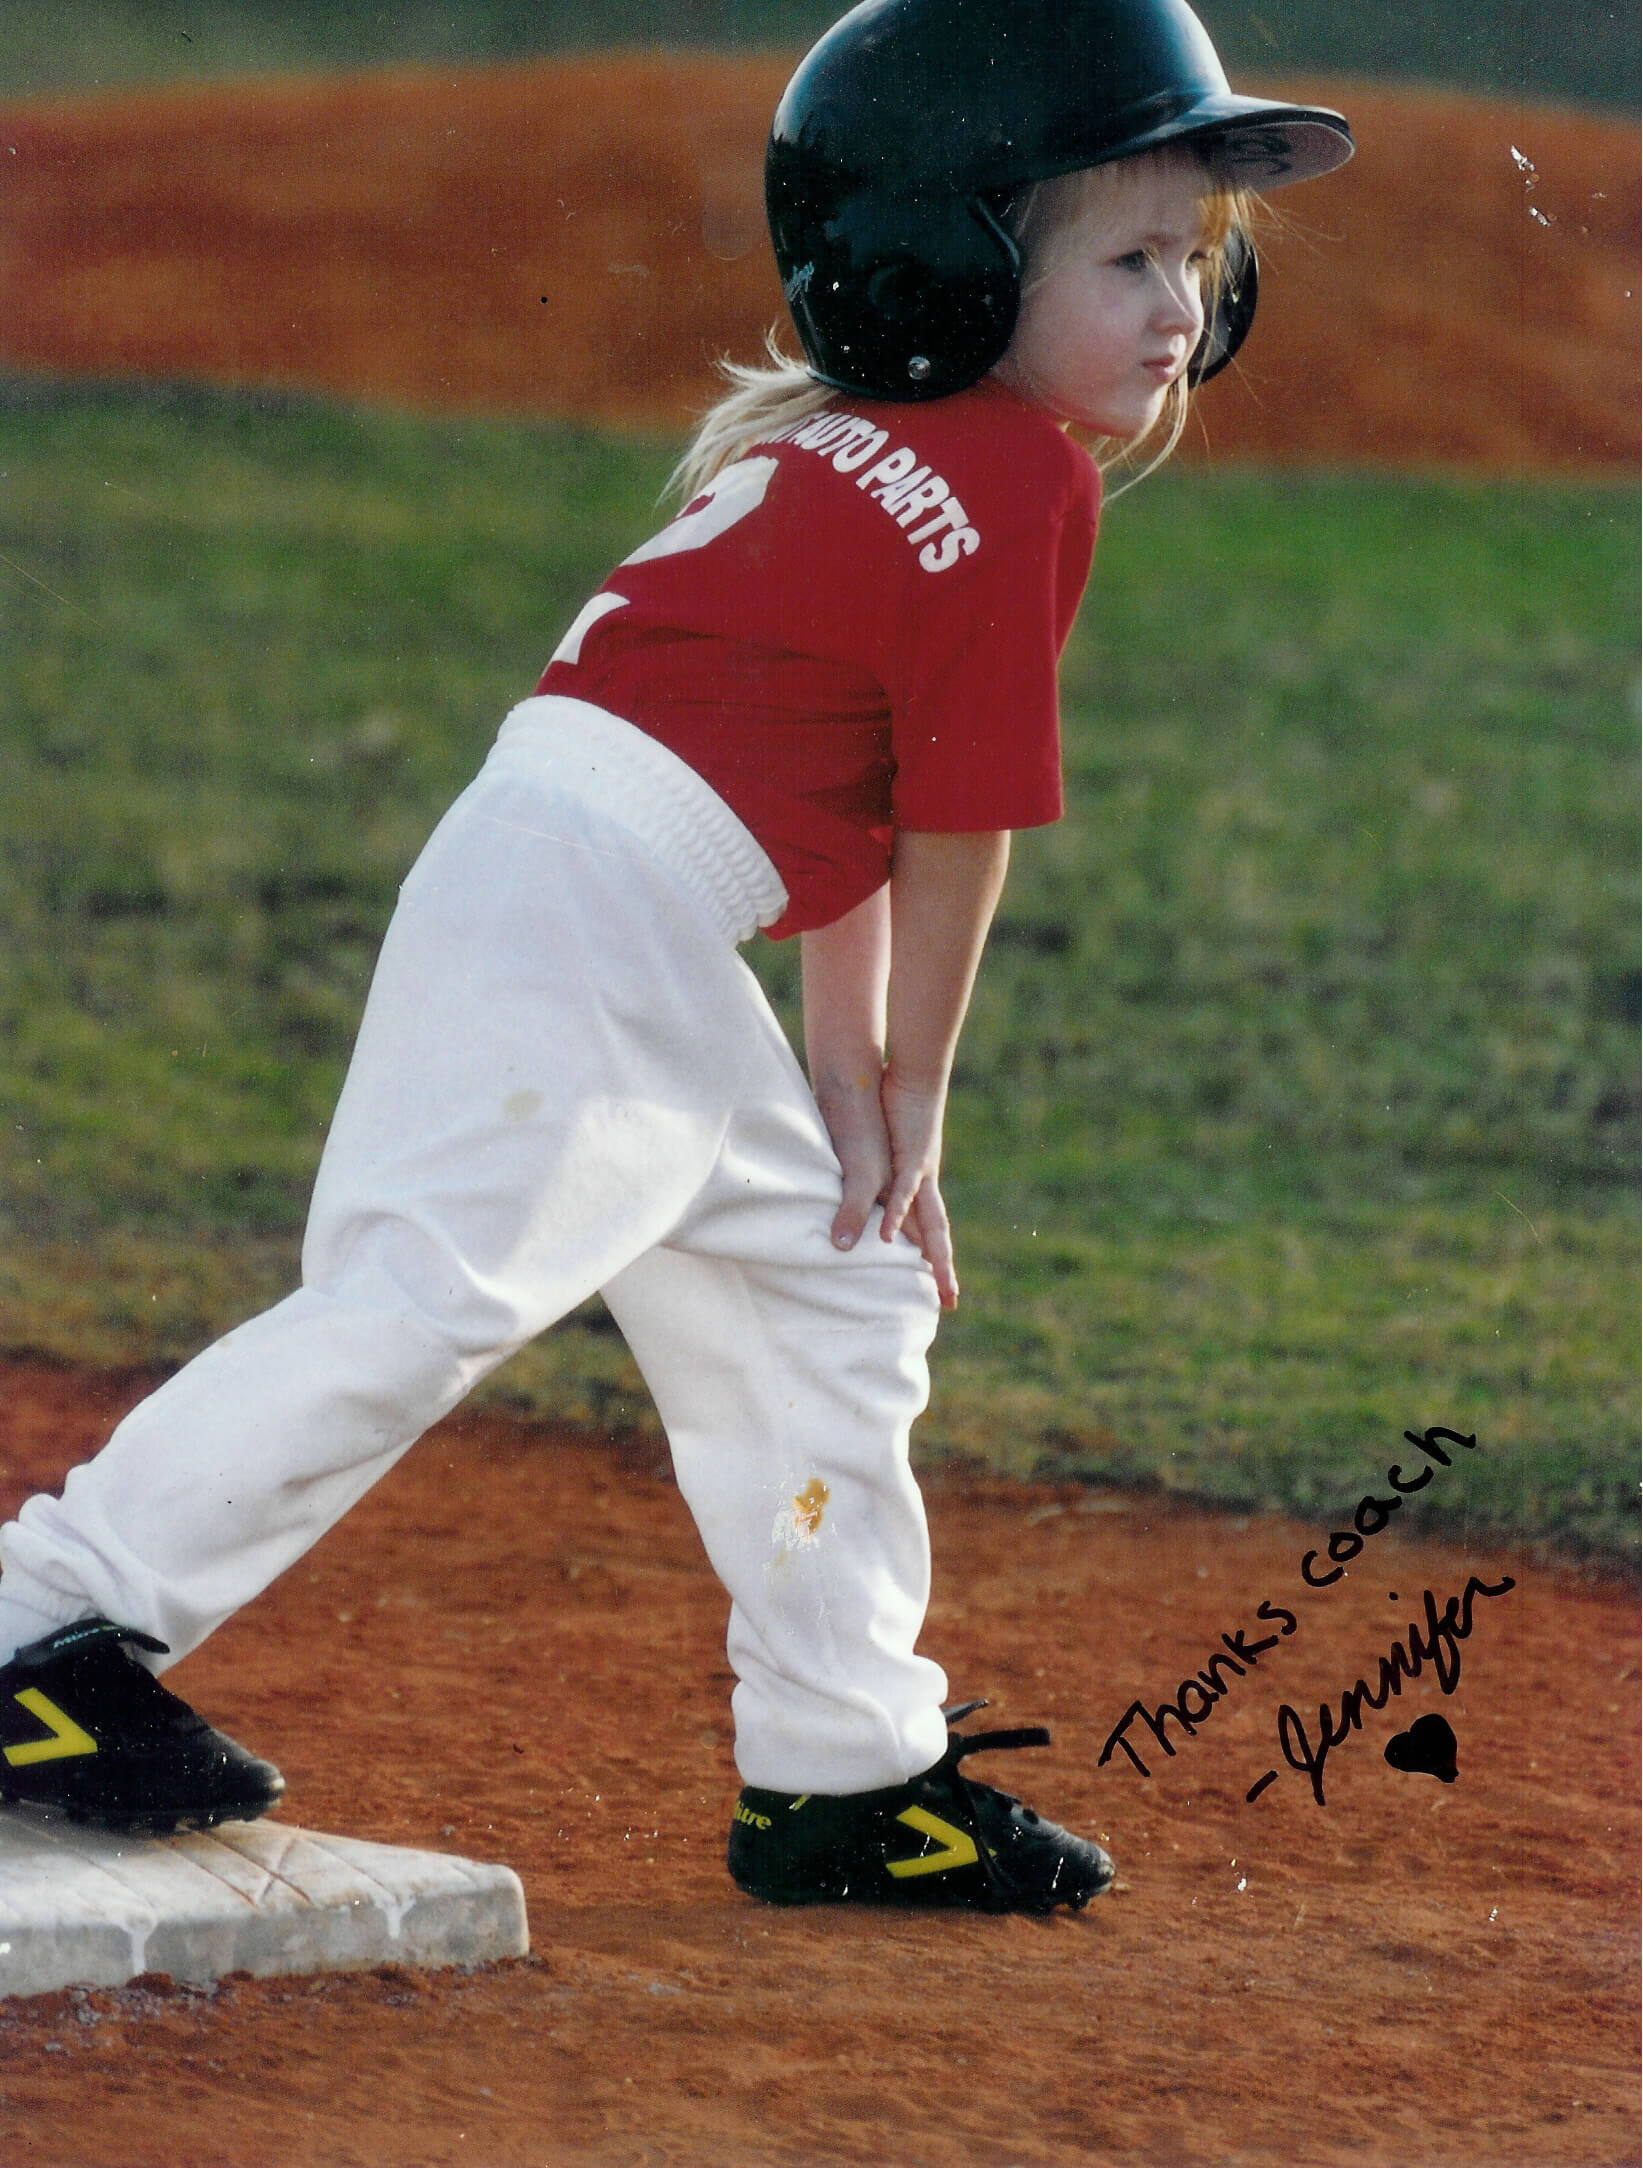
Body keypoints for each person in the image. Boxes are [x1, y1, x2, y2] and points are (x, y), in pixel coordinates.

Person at [0, 0, 1350, 1914]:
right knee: (423, 1303)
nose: (1177, 309)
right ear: (948, 262)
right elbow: (955, 827)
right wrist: (917, 1097)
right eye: (1128, 259)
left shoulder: (871, 444)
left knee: (830, 1284)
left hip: (586, 882)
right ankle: (34, 1630)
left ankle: (842, 1771)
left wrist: (848, 1084)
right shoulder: (1015, 476)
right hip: (594, 907)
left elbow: (850, 808)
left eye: (1192, 263)